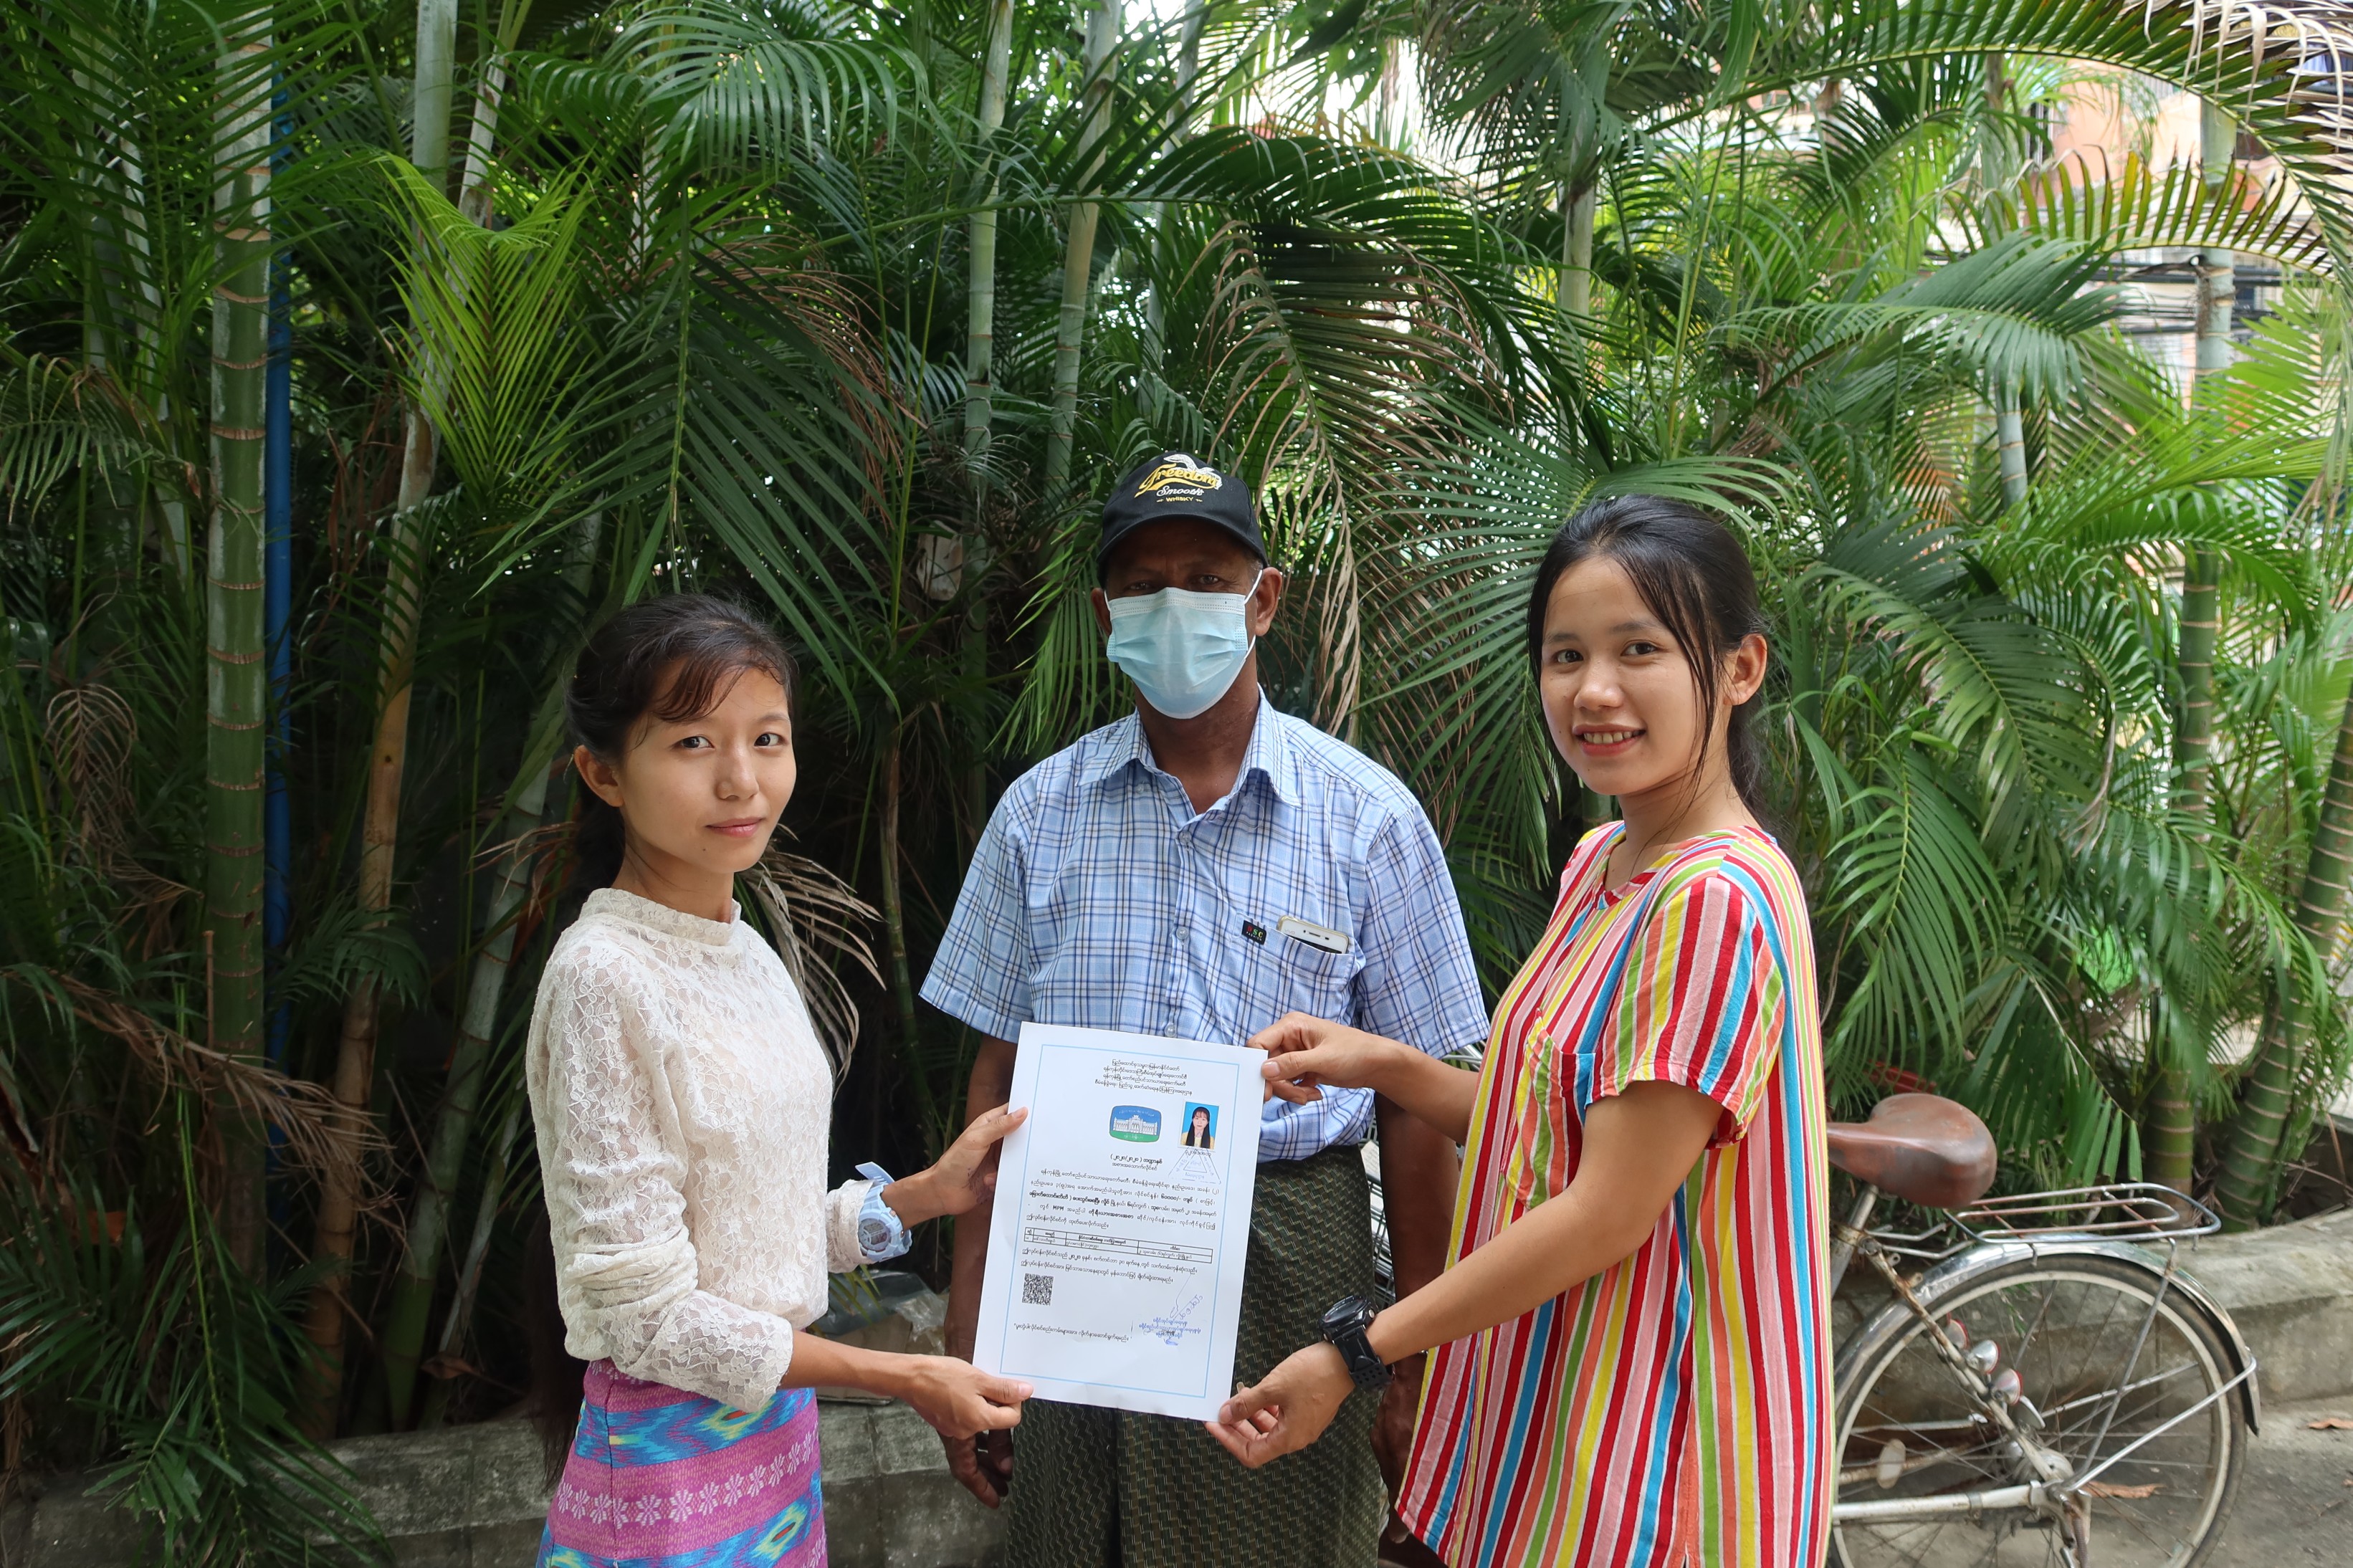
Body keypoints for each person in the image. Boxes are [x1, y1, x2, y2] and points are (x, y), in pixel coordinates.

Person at [1208, 496, 1831, 1568]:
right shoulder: (1603, 864)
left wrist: (1356, 1353)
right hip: (1555, 1413)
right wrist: (1380, 1061)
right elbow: (1546, 1122)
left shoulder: (1716, 900)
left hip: (1657, 1451)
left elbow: (1605, 1212)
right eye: (1565, 655)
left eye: (1640, 650)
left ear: (1740, 669)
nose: (1595, 691)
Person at [921, 452, 1492, 1568]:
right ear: (1106, 616)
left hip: (1290, 1261)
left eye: (1205, 578)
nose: (1173, 605)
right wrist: (968, 1316)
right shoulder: (1038, 816)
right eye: (1142, 585)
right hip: (1073, 1248)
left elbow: (1417, 1106)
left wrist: (1410, 1360)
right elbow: (997, 1077)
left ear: (1263, 600)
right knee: (1069, 1541)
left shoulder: (1369, 821)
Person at [526, 596, 1032, 1568]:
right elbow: (647, 1318)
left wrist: (925, 1195)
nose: (741, 780)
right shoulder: (603, 978)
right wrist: (904, 1376)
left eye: (767, 738)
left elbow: (754, 1236)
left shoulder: (746, 948)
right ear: (603, 773)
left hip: (774, 1449)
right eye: (692, 743)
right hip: (667, 1476)